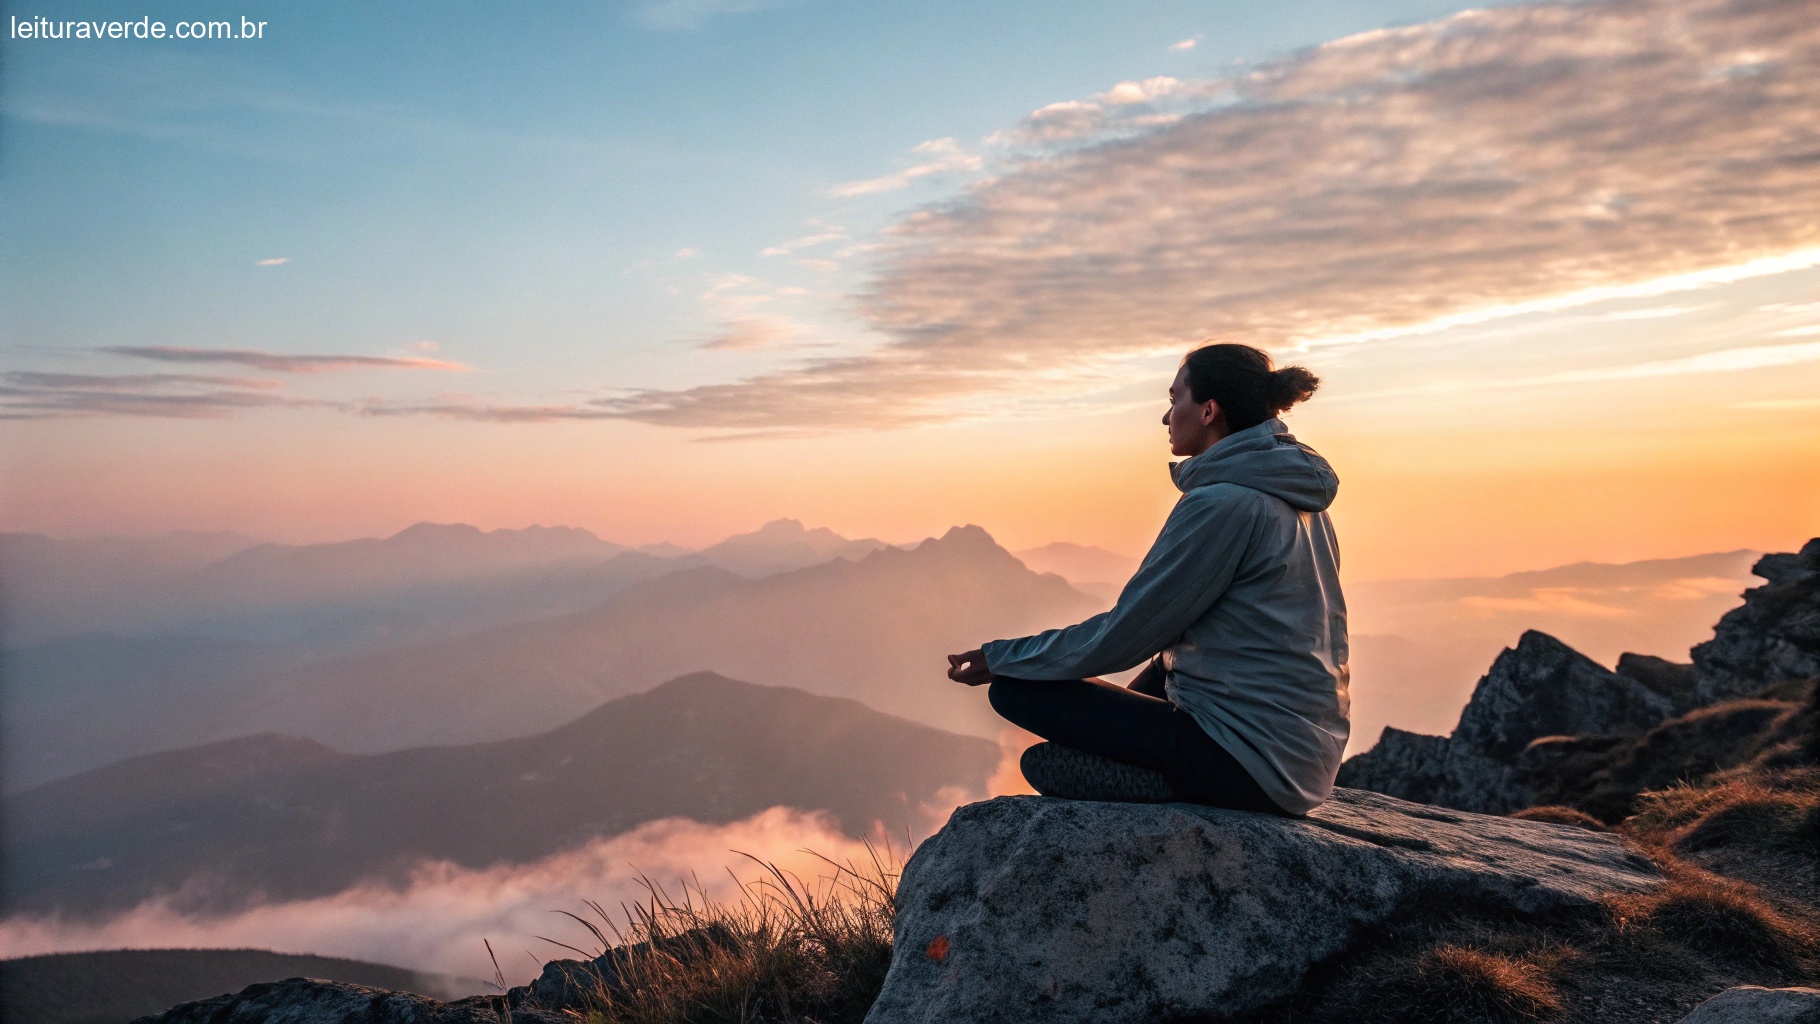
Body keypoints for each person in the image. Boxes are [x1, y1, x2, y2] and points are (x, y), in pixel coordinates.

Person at [946, 342, 1348, 816]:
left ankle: (1166, 787)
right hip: (1302, 754)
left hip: (1250, 761)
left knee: (1016, 689)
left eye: (1174, 399)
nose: (1165, 417)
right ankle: (1148, 766)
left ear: (1208, 411)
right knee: (1168, 661)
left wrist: (1005, 658)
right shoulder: (1299, 499)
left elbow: (1125, 634)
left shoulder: (1223, 504)